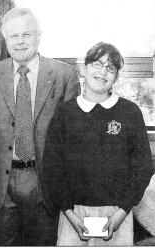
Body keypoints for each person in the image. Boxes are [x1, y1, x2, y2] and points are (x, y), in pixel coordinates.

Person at [0, 7, 80, 246]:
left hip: (45, 184)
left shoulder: (65, 75)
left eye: (27, 34)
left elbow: (72, 142)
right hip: (1, 184)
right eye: (14, 36)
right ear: (5, 39)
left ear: (39, 36)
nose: (20, 41)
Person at [43, 42, 153, 246]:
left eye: (111, 68)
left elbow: (142, 167)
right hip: (73, 215)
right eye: (98, 64)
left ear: (116, 77)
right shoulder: (64, 114)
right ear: (83, 69)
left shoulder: (129, 113)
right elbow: (52, 167)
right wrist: (68, 211)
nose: (103, 72)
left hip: (118, 214)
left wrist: (122, 211)